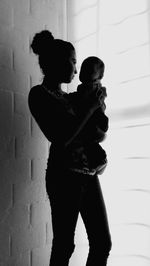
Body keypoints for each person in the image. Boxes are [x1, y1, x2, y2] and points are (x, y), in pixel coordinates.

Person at [28, 30, 111, 266]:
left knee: (102, 243)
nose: (76, 70)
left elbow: (99, 134)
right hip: (63, 177)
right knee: (65, 245)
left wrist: (100, 108)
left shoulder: (73, 98)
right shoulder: (38, 95)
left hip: (89, 175)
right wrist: (90, 108)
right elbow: (60, 137)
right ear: (57, 61)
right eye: (73, 62)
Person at [65, 56, 108, 175]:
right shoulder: (85, 88)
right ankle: (99, 161)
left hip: (96, 119)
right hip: (89, 122)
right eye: (83, 68)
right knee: (89, 141)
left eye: (90, 70)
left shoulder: (94, 88)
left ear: (99, 77)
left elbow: (88, 103)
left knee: (91, 141)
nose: (84, 72)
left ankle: (100, 160)